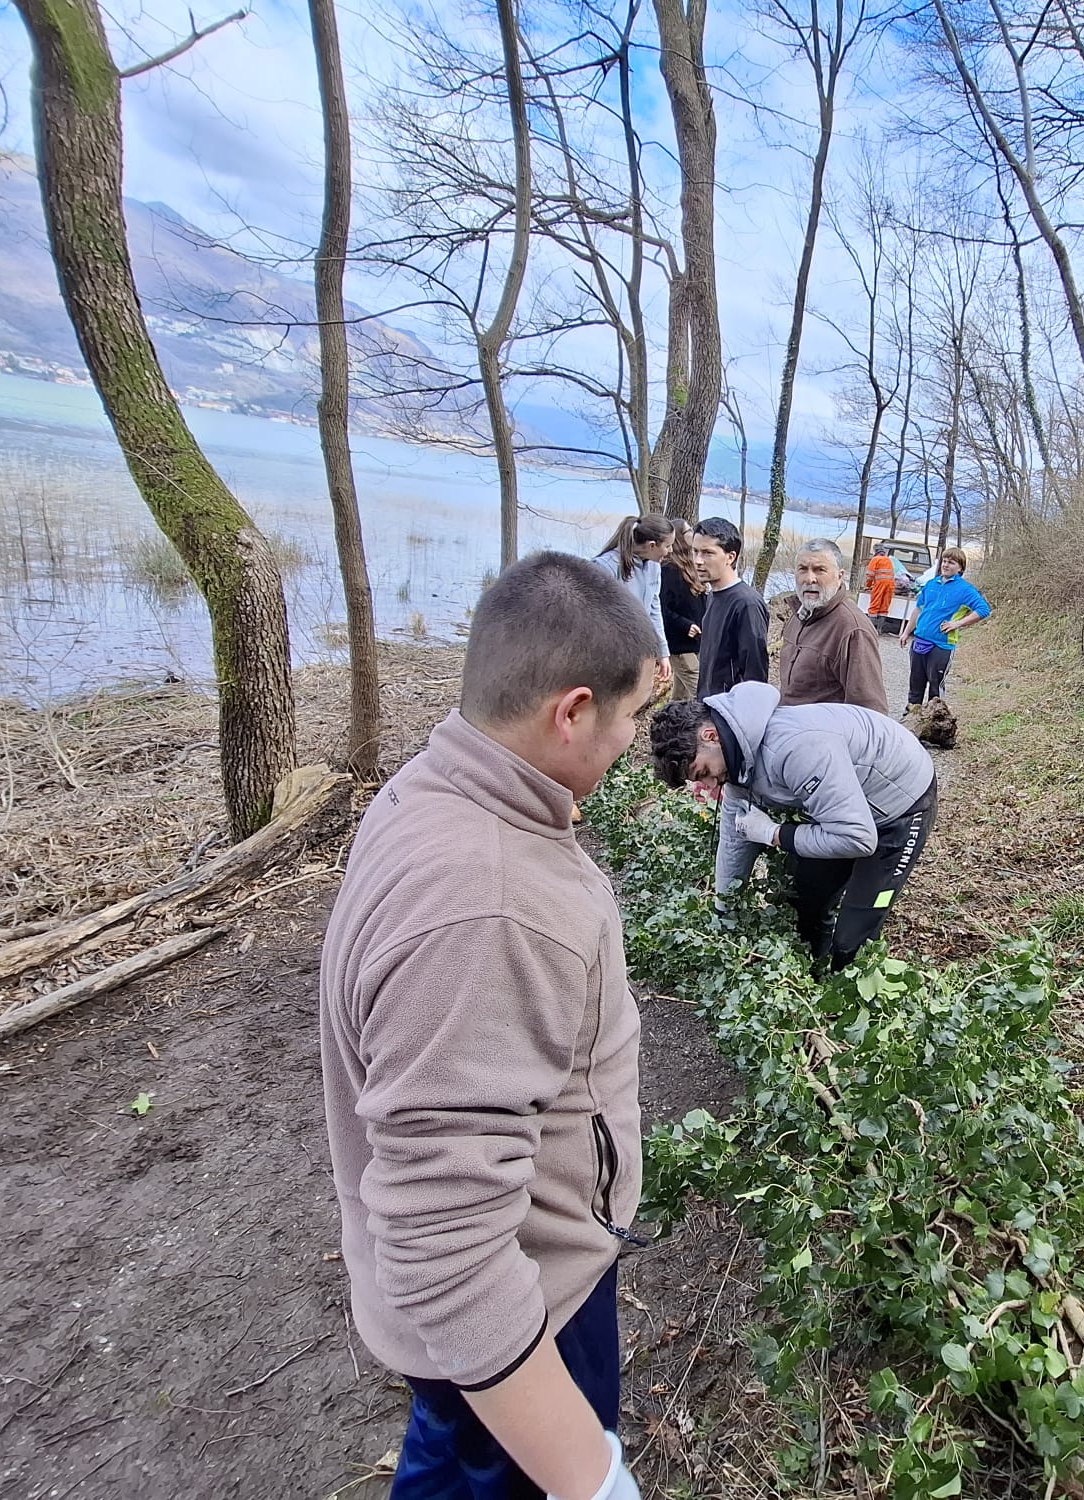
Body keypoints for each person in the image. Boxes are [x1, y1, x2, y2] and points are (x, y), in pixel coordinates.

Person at [319, 552, 654, 1500]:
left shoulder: (438, 790)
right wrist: (588, 1476)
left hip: (491, 1311)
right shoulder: (490, 905)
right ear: (573, 711)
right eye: (629, 716)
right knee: (484, 1463)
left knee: (448, 1454)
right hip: (523, 1311)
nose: (632, 740)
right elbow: (451, 1244)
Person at [649, 681, 936, 971]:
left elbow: (858, 838)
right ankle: (813, 981)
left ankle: (847, 996)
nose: (710, 785)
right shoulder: (736, 756)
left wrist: (774, 834)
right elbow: (735, 837)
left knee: (853, 937)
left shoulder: (794, 749)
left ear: (710, 735)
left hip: (899, 805)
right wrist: (724, 910)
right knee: (806, 902)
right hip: (842, 808)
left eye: (704, 773)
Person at [779, 539, 887, 713]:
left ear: (840, 576)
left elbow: (871, 713)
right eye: (802, 569)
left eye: (820, 570)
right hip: (786, 732)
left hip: (821, 737)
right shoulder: (799, 614)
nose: (809, 579)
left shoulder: (853, 630)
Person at [898, 546, 990, 712]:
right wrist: (906, 632)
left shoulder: (965, 590)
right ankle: (910, 720)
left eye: (951, 562)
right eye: (944, 561)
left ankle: (934, 726)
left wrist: (958, 624)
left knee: (935, 689)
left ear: (960, 567)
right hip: (920, 641)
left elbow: (984, 610)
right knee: (915, 685)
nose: (946, 565)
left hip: (942, 645)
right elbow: (919, 609)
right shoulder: (931, 584)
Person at [688, 516, 768, 699]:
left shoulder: (747, 604)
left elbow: (755, 674)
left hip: (729, 713)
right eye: (695, 551)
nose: (698, 561)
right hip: (708, 705)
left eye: (707, 553)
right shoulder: (713, 595)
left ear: (730, 557)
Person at [594, 514, 673, 693]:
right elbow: (594, 617)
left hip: (638, 653)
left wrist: (662, 651)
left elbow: (654, 610)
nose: (671, 551)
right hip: (610, 657)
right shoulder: (606, 567)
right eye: (668, 546)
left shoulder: (654, 567)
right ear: (652, 545)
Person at [658, 519, 704, 703]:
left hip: (695, 643)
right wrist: (685, 625)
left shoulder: (691, 568)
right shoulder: (668, 570)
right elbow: (661, 609)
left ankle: (670, 727)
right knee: (701, 692)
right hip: (679, 645)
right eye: (688, 531)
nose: (692, 534)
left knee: (680, 697)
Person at [863, 540, 896, 626]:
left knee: (874, 605)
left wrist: (868, 586)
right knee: (884, 607)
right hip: (890, 585)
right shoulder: (888, 560)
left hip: (880, 584)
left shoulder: (875, 559)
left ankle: (871, 628)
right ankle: (880, 629)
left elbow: (870, 575)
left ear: (875, 551)